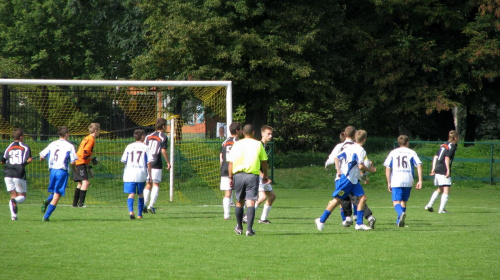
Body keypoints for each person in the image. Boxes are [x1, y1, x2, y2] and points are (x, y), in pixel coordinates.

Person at [315, 129, 376, 231]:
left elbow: (336, 157)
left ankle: (359, 224)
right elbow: (361, 166)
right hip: (347, 179)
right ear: (364, 139)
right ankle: (321, 220)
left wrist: (339, 170)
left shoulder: (350, 147)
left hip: (353, 180)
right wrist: (371, 170)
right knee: (338, 200)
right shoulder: (361, 150)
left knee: (363, 198)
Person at [228, 124, 270, 236]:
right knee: (251, 201)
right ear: (253, 133)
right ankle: (249, 230)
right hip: (252, 175)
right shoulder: (257, 144)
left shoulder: (236, 144)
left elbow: (231, 163)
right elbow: (264, 162)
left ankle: (239, 227)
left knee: (239, 201)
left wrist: (230, 177)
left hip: (238, 175)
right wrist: (265, 175)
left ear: (242, 133)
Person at [384, 135, 423, 227]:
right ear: (407, 142)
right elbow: (419, 165)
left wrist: (388, 182)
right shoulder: (412, 152)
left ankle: (400, 213)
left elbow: (387, 168)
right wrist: (420, 180)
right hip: (408, 178)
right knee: (403, 201)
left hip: (396, 179)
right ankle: (399, 222)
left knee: (396, 200)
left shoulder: (393, 152)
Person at [40, 126, 78, 221]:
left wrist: (43, 159)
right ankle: (46, 217)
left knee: (55, 191)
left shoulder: (52, 144)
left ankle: (47, 201)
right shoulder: (69, 146)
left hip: (53, 170)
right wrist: (75, 170)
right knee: (58, 194)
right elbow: (73, 162)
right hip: (62, 171)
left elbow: (41, 156)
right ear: (67, 134)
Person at [1, 128, 32, 221]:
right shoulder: (25, 147)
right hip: (18, 173)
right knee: (22, 196)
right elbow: (28, 159)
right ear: (21, 137)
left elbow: (2, 161)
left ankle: (13, 216)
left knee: (12, 196)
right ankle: (15, 202)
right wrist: (27, 162)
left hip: (7, 173)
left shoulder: (9, 147)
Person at [121, 129, 153, 219]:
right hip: (141, 173)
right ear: (142, 136)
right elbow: (149, 162)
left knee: (131, 193)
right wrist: (149, 175)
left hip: (129, 173)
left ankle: (131, 212)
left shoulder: (129, 146)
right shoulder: (145, 147)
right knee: (140, 193)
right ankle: (139, 214)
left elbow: (124, 160)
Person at [425, 130, 459, 214]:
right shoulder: (453, 146)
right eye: (458, 137)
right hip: (443, 168)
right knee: (446, 188)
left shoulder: (443, 145)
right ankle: (441, 209)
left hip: (438, 168)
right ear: (455, 138)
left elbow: (436, 156)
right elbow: (447, 158)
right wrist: (448, 170)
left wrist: (433, 168)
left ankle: (429, 205)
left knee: (440, 188)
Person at [143, 118, 171, 214]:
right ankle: (151, 205)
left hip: (147, 163)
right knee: (156, 184)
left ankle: (144, 204)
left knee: (148, 184)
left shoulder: (148, 136)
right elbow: (163, 150)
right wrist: (168, 162)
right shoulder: (163, 137)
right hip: (156, 162)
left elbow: (144, 148)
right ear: (163, 126)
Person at [72, 123, 100, 208]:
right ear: (96, 130)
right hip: (81, 162)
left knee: (80, 183)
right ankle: (81, 204)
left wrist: (88, 164)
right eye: (99, 130)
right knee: (85, 182)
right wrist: (93, 159)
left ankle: (74, 204)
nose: (99, 132)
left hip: (78, 161)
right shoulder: (91, 139)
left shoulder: (86, 138)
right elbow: (85, 154)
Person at [220, 122, 243, 220]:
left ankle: (226, 215)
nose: (242, 131)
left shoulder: (224, 141)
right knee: (241, 194)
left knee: (227, 193)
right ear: (237, 130)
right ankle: (242, 215)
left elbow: (221, 156)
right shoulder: (239, 142)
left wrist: (222, 167)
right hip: (236, 169)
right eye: (241, 129)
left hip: (225, 169)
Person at [255, 125, 276, 224]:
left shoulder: (264, 146)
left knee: (272, 196)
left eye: (271, 134)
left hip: (263, 176)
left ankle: (263, 218)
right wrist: (262, 175)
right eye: (268, 134)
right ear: (262, 134)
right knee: (262, 197)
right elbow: (254, 163)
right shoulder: (259, 145)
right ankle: (246, 215)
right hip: (258, 176)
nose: (270, 136)